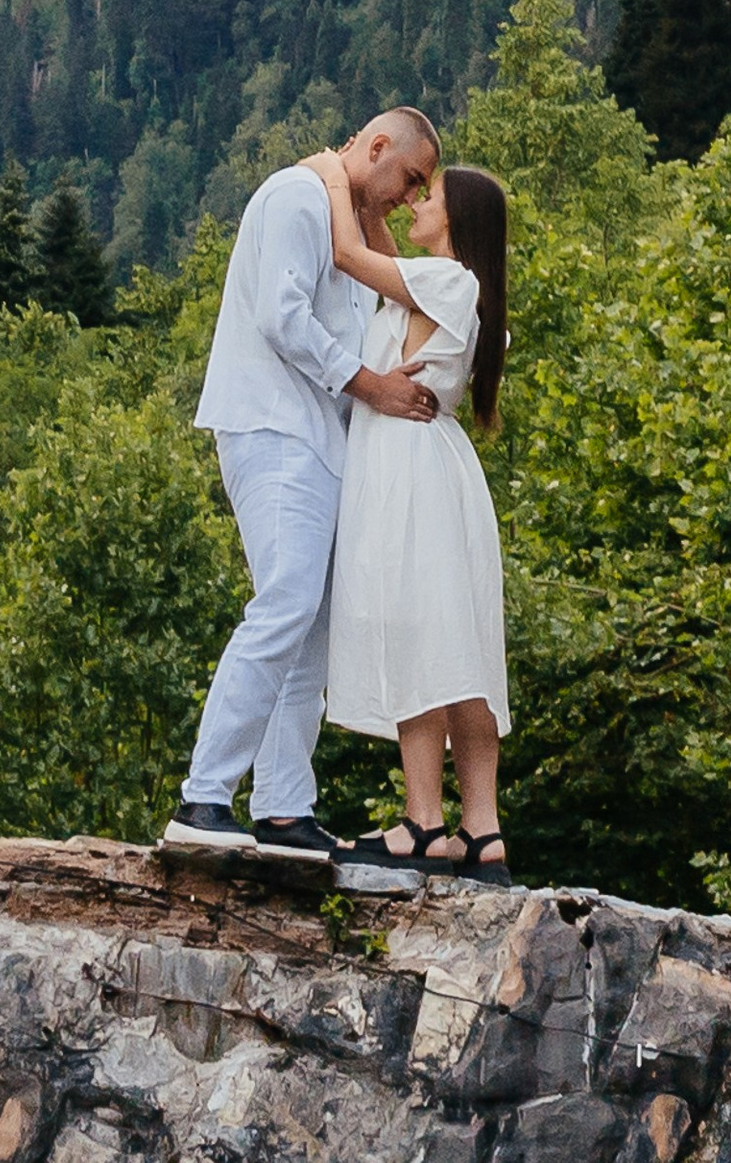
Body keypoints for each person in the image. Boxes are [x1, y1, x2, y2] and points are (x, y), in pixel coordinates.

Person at [164, 108, 443, 858]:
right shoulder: (295, 197)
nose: (410, 197)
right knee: (286, 599)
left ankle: (284, 807)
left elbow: (388, 294)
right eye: (409, 178)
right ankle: (203, 795)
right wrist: (374, 388)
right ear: (377, 147)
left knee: (312, 623)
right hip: (272, 426)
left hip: (318, 438)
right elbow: (282, 317)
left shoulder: (343, 216)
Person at [313, 146, 514, 887]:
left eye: (429, 197)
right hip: (437, 469)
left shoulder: (446, 281)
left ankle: (423, 820)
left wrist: (331, 178)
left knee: (416, 635)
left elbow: (349, 255)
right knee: (458, 643)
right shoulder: (447, 288)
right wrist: (373, 205)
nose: (416, 203)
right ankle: (481, 830)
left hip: (410, 471)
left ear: (455, 219)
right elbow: (387, 257)